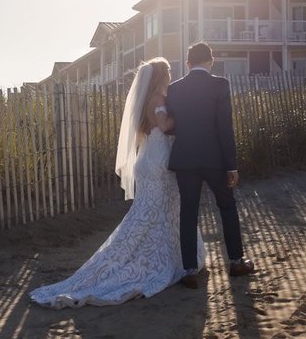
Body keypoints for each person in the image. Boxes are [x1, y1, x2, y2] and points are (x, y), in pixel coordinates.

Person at [29, 57, 206, 308]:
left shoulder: (145, 101)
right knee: (165, 208)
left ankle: (157, 255)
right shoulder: (158, 100)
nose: (170, 77)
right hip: (159, 161)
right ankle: (164, 260)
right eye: (167, 73)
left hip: (146, 159)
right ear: (160, 77)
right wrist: (185, 116)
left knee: (148, 211)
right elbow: (164, 124)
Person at [165, 42, 255, 289]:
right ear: (211, 61)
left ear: (188, 64)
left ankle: (190, 270)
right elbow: (225, 126)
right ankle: (236, 261)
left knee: (188, 212)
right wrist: (231, 165)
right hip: (215, 159)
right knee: (227, 206)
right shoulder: (220, 85)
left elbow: (171, 127)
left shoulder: (174, 89)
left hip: (185, 158)